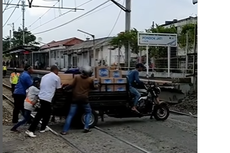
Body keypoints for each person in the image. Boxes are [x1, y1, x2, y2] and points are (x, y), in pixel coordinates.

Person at [26, 65, 62, 138]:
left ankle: (43, 127)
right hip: (47, 98)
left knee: (48, 113)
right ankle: (30, 130)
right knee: (39, 115)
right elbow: (59, 88)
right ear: (55, 70)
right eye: (57, 71)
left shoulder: (44, 76)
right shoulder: (56, 77)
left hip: (42, 96)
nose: (58, 72)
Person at [60, 65, 97, 135]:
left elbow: (71, 85)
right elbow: (94, 87)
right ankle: (86, 127)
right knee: (88, 112)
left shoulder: (77, 78)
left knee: (70, 115)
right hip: (84, 99)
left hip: (75, 99)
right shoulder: (90, 80)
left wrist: (64, 89)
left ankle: (64, 130)